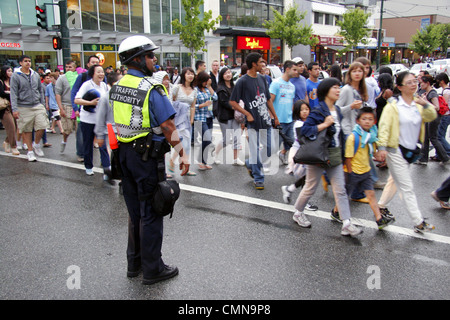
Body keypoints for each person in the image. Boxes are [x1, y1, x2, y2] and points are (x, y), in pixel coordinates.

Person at [111, 35, 189, 285]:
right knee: (152, 212)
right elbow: (167, 124)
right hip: (145, 157)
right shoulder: (151, 88)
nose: (154, 59)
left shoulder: (116, 86)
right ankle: (153, 269)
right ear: (137, 59)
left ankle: (134, 264)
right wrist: (183, 154)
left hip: (124, 155)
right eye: (150, 55)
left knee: (135, 213)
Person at [292, 78, 362, 236]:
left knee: (340, 190)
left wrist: (345, 154)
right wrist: (324, 124)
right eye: (335, 88)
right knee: (310, 187)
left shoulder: (337, 109)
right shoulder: (318, 111)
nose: (338, 90)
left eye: (339, 87)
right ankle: (297, 212)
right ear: (325, 91)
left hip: (335, 153)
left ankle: (346, 223)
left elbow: (340, 135)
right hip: (319, 155)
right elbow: (305, 131)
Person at [376, 71, 437, 233]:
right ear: (400, 87)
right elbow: (384, 127)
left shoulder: (417, 105)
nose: (413, 84)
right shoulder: (394, 106)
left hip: (411, 151)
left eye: (414, 81)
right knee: (407, 187)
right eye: (409, 82)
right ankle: (418, 221)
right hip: (395, 151)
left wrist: (425, 104)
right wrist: (381, 148)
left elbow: (432, 115)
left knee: (393, 182)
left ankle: (380, 206)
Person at [229, 52, 280, 190]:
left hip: (266, 121)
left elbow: (268, 99)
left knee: (271, 148)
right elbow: (232, 101)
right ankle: (258, 178)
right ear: (253, 64)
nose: (263, 64)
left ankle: (251, 164)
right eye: (260, 62)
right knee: (255, 151)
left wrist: (274, 116)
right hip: (252, 124)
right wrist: (247, 114)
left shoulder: (263, 78)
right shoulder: (243, 81)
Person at [340, 107, 394, 229]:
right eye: (364, 119)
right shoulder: (353, 137)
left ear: (374, 121)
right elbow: (348, 157)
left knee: (371, 194)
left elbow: (374, 152)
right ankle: (335, 211)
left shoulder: (371, 136)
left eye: (370, 119)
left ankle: (379, 219)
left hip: (366, 171)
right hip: (352, 171)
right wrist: (349, 173)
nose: (367, 121)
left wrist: (379, 154)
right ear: (358, 121)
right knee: (345, 195)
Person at [74, 64, 111, 177]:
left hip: (101, 121)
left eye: (102, 72)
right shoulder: (86, 85)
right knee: (88, 144)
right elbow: (77, 100)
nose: (101, 74)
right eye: (98, 72)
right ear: (92, 74)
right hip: (87, 120)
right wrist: (91, 103)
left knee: (103, 145)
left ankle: (106, 169)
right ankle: (88, 166)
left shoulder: (105, 86)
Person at [281, 100, 318, 211]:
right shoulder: (298, 124)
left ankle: (289, 189)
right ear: (297, 112)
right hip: (300, 152)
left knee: (307, 177)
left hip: (306, 151)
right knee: (307, 177)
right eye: (302, 110)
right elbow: (304, 139)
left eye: (306, 109)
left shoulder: (309, 122)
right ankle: (303, 201)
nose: (305, 112)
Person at [10, 55, 48, 162]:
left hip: (37, 104)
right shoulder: (16, 76)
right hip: (23, 106)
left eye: (29, 61)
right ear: (20, 63)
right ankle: (30, 151)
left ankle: (36, 144)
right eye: (25, 61)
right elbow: (13, 93)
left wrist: (43, 104)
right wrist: (15, 108)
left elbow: (40, 90)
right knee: (26, 129)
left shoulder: (35, 75)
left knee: (42, 125)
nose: (28, 63)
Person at [212, 67, 244, 166]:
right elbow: (224, 102)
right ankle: (215, 154)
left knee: (237, 137)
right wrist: (237, 107)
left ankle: (236, 158)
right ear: (222, 76)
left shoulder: (234, 86)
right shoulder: (220, 88)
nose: (228, 74)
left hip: (235, 116)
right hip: (225, 116)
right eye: (225, 73)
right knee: (226, 140)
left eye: (229, 72)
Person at [71, 55, 101, 162]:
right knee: (81, 132)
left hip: (98, 111)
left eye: (97, 62)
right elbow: (74, 93)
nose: (95, 64)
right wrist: (75, 108)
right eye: (93, 62)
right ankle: (81, 153)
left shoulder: (102, 78)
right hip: (83, 110)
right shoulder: (83, 77)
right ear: (88, 65)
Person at [416, 74, 449, 165]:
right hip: (428, 117)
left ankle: (445, 157)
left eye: (422, 83)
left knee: (433, 138)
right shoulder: (427, 93)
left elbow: (437, 107)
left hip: (434, 118)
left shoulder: (432, 93)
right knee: (426, 137)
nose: (420, 85)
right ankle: (423, 158)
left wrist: (424, 101)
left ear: (427, 83)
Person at [270, 60, 297, 165]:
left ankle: (283, 153)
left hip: (289, 120)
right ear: (287, 69)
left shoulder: (292, 86)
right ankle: (258, 163)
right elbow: (270, 102)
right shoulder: (276, 83)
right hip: (278, 121)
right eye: (294, 69)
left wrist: (293, 116)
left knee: (291, 143)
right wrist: (272, 118)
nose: (296, 72)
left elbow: (291, 103)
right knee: (274, 146)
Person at [170, 67, 197, 176]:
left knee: (186, 144)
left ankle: (185, 167)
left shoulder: (194, 90)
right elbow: (171, 102)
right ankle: (172, 161)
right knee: (179, 143)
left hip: (187, 120)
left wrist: (191, 119)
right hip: (177, 119)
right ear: (183, 75)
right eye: (188, 74)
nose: (191, 76)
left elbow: (193, 106)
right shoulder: (177, 88)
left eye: (192, 74)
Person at [193, 71, 218, 170]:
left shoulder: (207, 89)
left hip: (209, 117)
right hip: (199, 118)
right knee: (207, 138)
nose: (206, 82)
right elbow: (191, 106)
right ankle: (200, 160)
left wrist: (210, 86)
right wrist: (203, 105)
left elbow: (215, 97)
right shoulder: (195, 91)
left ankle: (204, 161)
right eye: (205, 81)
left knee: (206, 140)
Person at [55, 60, 79, 154]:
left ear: (74, 68)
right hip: (66, 105)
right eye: (67, 67)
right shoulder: (61, 78)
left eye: (70, 67)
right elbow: (58, 94)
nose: (68, 69)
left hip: (77, 106)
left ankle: (79, 151)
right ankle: (64, 140)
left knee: (79, 131)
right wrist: (61, 108)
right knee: (67, 129)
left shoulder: (78, 77)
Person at [0, 65, 19, 155]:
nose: (10, 73)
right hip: (4, 108)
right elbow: (1, 93)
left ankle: (7, 142)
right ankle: (13, 147)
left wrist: (8, 92)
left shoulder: (12, 81)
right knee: (11, 126)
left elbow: (17, 92)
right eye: (8, 71)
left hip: (13, 107)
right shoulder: (1, 82)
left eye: (11, 71)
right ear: (4, 72)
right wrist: (10, 93)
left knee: (15, 126)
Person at [435, 73, 450, 157]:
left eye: (439, 81)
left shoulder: (446, 91)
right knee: (440, 135)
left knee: (440, 136)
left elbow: (444, 105)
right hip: (446, 115)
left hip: (445, 116)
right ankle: (439, 154)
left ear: (442, 81)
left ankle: (447, 151)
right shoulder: (446, 90)